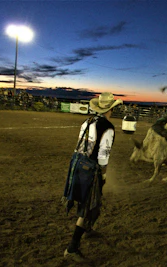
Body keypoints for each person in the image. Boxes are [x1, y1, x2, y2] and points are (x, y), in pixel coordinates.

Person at [64, 92, 123, 263]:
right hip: (90, 169)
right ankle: (72, 248)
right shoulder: (108, 127)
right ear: (110, 109)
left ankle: (88, 228)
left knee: (91, 202)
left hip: (77, 163)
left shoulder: (87, 121)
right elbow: (103, 156)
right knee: (88, 205)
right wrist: (103, 174)